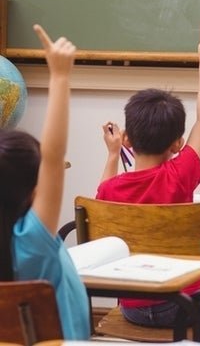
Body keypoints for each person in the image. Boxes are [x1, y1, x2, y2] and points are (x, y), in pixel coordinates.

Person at [96, 20, 200, 328]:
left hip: (132, 308)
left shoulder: (113, 191)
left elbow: (102, 195)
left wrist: (113, 154)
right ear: (178, 143)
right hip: (184, 306)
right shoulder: (181, 173)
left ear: (127, 139)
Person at [0, 24, 90, 339]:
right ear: (34, 188)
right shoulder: (31, 243)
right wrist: (60, 76)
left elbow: (49, 160)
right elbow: (54, 157)